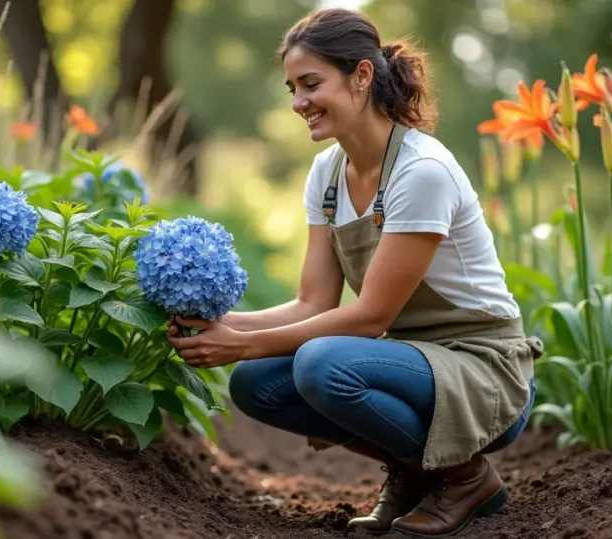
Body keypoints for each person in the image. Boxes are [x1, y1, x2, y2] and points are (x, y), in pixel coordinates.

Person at [167, 7, 542, 538]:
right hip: (411, 363)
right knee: (255, 384)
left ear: (361, 76)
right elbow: (312, 303)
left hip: (482, 368)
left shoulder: (421, 172)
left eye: (311, 84)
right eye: (292, 88)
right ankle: (415, 473)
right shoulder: (326, 175)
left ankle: (464, 477)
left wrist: (242, 342)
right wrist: (221, 325)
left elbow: (369, 318)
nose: (299, 103)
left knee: (321, 365)